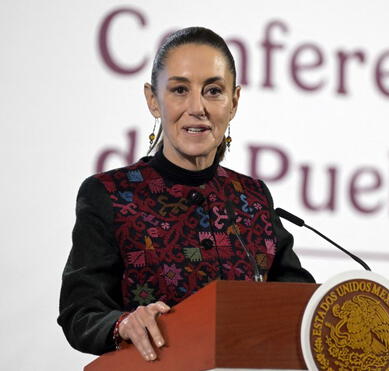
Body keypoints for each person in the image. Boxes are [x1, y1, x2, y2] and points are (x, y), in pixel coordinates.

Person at [57, 26, 315, 362]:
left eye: (213, 91)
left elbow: (303, 304)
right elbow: (80, 312)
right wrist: (123, 324)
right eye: (180, 90)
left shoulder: (252, 198)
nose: (197, 107)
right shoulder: (109, 195)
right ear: (153, 100)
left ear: (234, 101)